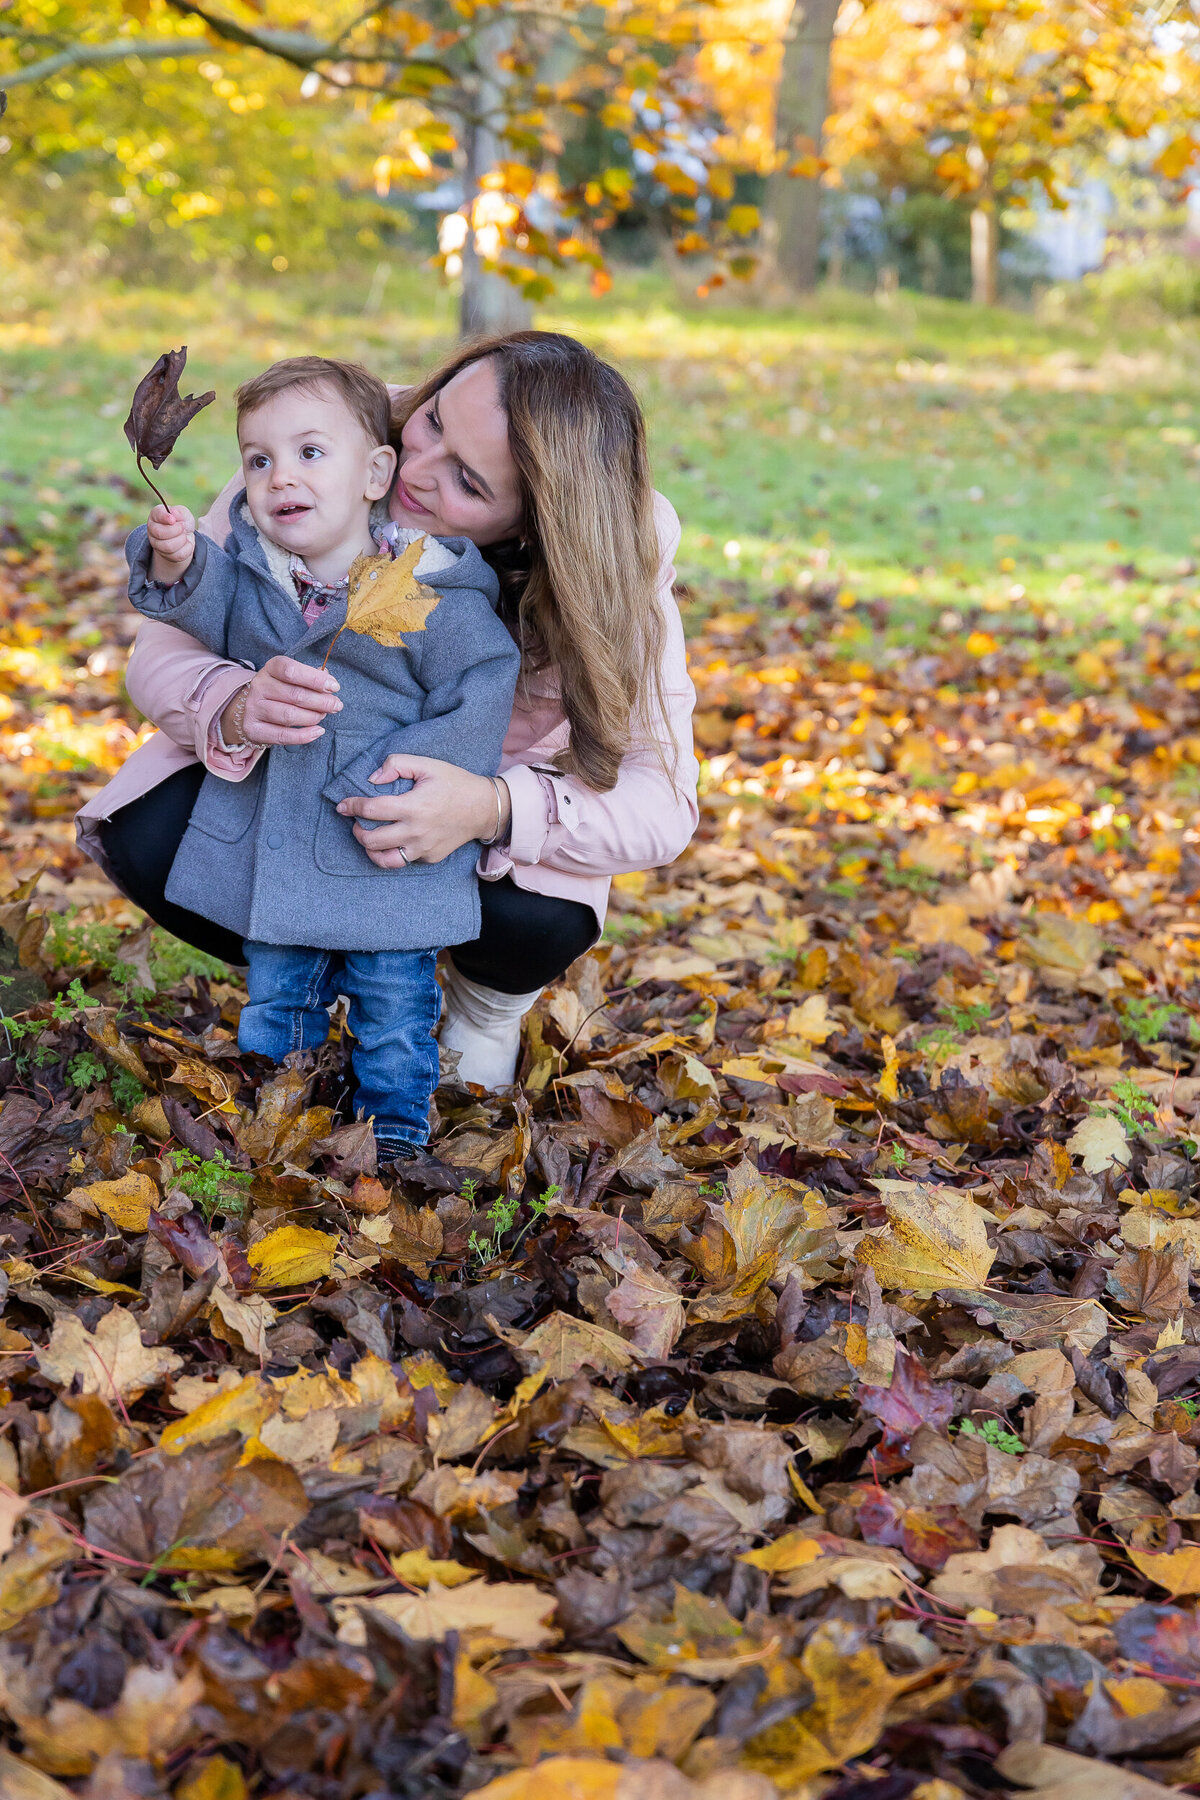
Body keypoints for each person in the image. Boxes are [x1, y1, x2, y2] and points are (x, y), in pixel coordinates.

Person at [77, 330, 700, 1092]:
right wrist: (237, 704)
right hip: (311, 788)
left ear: (537, 522)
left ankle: (481, 1004)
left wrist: (493, 805)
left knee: (542, 919)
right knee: (151, 834)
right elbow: (163, 653)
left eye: (468, 483)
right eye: (434, 420)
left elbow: (664, 801)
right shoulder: (321, 436)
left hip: (468, 831)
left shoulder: (615, 555)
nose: (417, 469)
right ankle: (317, 965)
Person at [126, 354, 520, 1165]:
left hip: (383, 844)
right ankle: (280, 1104)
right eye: (259, 460)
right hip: (284, 846)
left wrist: (382, 783)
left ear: (377, 471)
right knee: (278, 989)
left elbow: (480, 695)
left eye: (310, 454)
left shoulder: (434, 592)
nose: (278, 479)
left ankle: (399, 1132)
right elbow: (218, 611)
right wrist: (179, 564)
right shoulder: (264, 570)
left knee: (392, 1003)